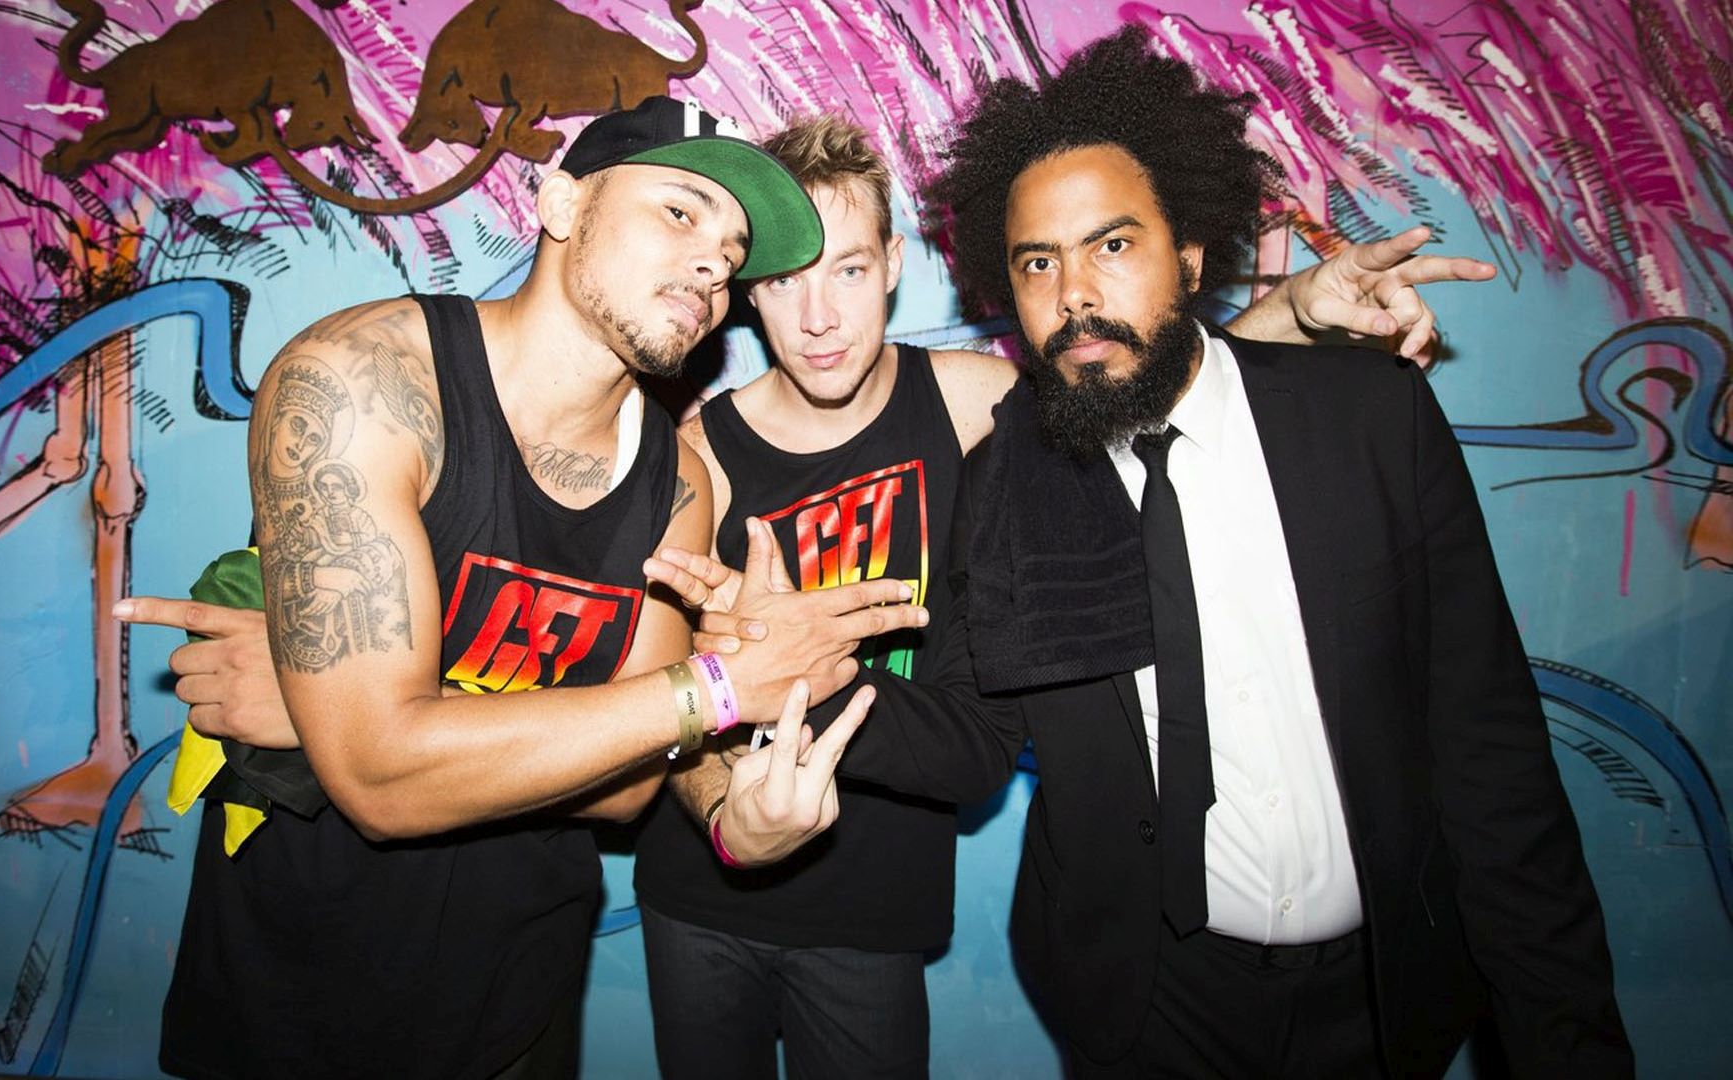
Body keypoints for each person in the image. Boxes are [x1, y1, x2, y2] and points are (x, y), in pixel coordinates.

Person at [631, 114, 1502, 1080]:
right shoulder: (700, 455)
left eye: (847, 269)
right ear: (750, 291)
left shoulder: (972, 401)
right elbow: (663, 697)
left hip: (876, 899)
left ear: (892, 266)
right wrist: (727, 818)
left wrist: (1291, 313)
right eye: (785, 281)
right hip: (705, 892)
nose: (819, 317)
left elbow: (1130, 378)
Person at [120, 95, 931, 1080]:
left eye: (732, 249)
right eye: (680, 212)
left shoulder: (678, 485)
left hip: (519, 1002)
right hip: (291, 989)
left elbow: (628, 787)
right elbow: (381, 779)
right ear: (562, 203)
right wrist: (710, 691)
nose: (715, 265)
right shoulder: (363, 380)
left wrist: (338, 702)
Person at [911, 27, 1631, 1076]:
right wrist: (767, 688)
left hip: (1382, 993)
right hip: (1148, 1007)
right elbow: (966, 732)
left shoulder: (1369, 419)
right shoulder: (1009, 481)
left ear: (1190, 254)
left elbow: (1491, 753)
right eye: (1038, 261)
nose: (1074, 294)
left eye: (1112, 246)